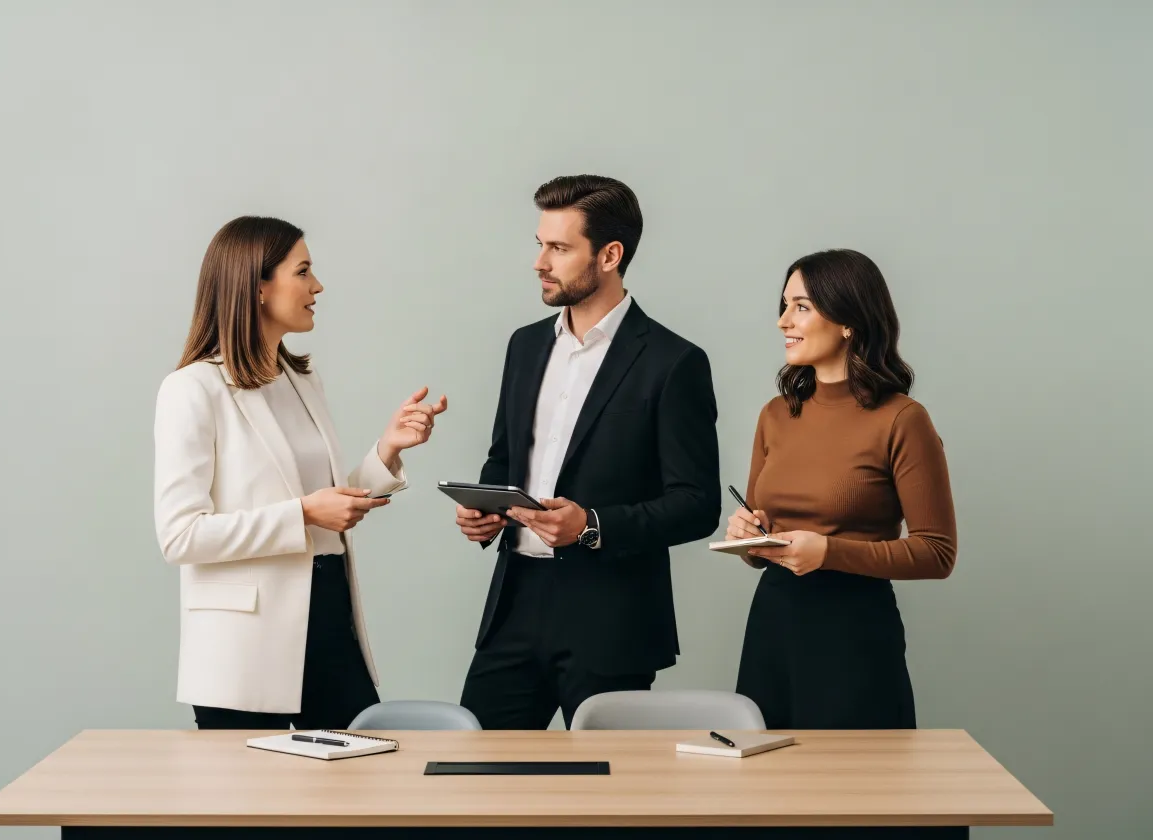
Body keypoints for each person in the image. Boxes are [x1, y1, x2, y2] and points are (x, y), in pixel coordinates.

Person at [153, 216, 447, 730]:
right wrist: (304, 513)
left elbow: (325, 502)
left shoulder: (301, 379)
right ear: (258, 287)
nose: (318, 286)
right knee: (253, 806)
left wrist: (388, 450)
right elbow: (181, 536)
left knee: (355, 790)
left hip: (330, 615)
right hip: (245, 648)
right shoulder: (193, 389)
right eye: (303, 272)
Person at [454, 175, 721, 730]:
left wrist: (592, 526)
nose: (539, 262)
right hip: (515, 604)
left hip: (612, 620)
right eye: (540, 244)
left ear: (609, 255)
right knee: (477, 787)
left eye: (559, 248)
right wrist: (486, 510)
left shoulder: (674, 363)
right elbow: (503, 458)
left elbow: (697, 504)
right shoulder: (524, 345)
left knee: (610, 806)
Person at [727, 248, 957, 730]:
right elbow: (762, 539)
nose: (783, 321)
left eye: (802, 307)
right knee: (768, 791)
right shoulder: (776, 414)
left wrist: (828, 552)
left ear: (849, 320)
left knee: (856, 796)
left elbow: (937, 552)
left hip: (852, 633)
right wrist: (750, 536)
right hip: (773, 625)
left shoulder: (902, 420)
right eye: (784, 305)